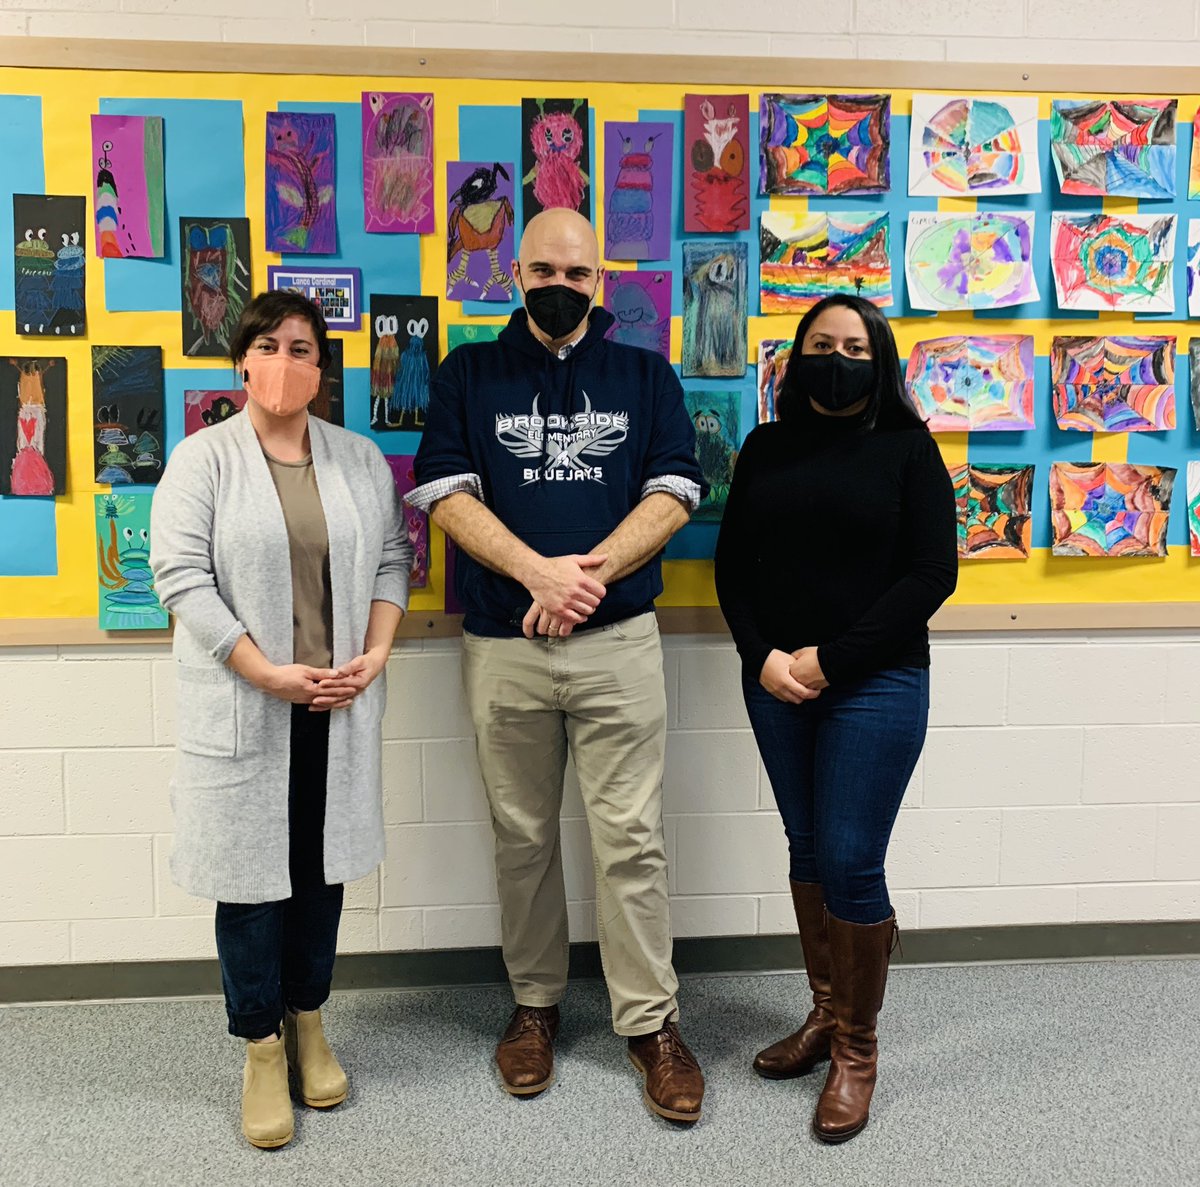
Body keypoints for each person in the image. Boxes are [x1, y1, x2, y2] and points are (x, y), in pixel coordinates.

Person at [407, 208, 708, 1122]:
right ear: (515, 273)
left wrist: (586, 577)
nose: (560, 285)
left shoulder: (645, 374)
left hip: (618, 643)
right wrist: (536, 572)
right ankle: (534, 1008)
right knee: (522, 838)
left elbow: (676, 489)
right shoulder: (469, 373)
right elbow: (442, 491)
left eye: (577, 274)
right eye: (543, 268)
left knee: (631, 841)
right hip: (505, 644)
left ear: (599, 282)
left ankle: (651, 1023)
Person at [150, 291, 411, 1149]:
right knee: (252, 886)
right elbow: (180, 577)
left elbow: (391, 558)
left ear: (322, 369)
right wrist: (266, 672)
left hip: (335, 706)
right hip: (249, 706)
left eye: (303, 348)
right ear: (241, 363)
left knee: (319, 873)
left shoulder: (360, 459)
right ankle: (261, 1046)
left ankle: (309, 1020)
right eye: (268, 345)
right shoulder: (203, 460)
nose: (286, 362)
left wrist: (373, 655)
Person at [714, 294, 957, 1144]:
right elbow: (732, 569)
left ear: (879, 358)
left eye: (855, 345)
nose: (838, 357)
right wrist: (765, 657)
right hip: (777, 681)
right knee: (809, 849)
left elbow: (932, 576)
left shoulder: (907, 448)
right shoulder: (765, 446)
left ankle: (857, 1048)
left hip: (876, 682)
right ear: (798, 355)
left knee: (852, 862)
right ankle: (824, 1013)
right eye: (822, 343)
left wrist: (829, 658)